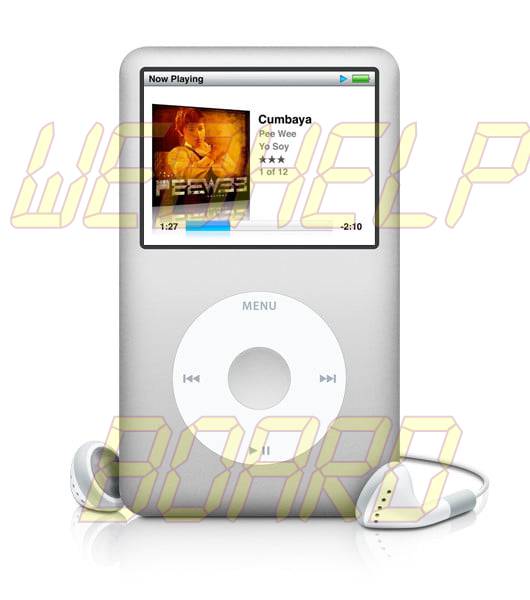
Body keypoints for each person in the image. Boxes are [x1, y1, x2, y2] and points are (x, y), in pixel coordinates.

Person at [167, 108, 236, 180]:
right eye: (191, 130)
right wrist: (211, 156)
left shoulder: (215, 149)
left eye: (200, 128)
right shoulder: (178, 153)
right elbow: (187, 175)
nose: (198, 134)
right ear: (181, 132)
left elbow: (232, 172)